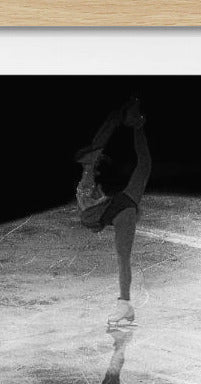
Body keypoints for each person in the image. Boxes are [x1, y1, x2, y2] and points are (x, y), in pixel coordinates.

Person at [74, 98, 151, 327]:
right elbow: (99, 142)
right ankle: (124, 304)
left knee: (123, 258)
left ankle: (125, 304)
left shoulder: (92, 174)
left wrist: (124, 118)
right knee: (143, 166)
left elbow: (100, 142)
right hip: (114, 207)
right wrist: (123, 118)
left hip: (119, 208)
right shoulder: (88, 175)